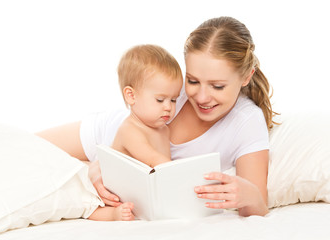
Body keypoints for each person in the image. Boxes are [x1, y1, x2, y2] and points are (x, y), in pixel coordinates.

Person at [37, 16, 278, 217]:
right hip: (105, 135)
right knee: (21, 148)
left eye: (217, 86)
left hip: (120, 168)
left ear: (246, 77)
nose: (202, 96)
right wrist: (96, 168)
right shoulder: (175, 90)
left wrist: (249, 195)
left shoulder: (247, 122)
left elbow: (258, 206)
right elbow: (129, 127)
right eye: (193, 80)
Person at [112, 44, 183, 167]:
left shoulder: (164, 129)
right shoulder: (129, 130)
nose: (168, 107)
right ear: (131, 96)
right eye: (160, 100)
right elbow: (153, 160)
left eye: (173, 100)